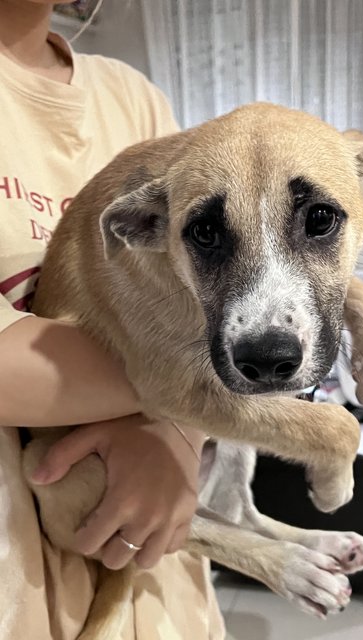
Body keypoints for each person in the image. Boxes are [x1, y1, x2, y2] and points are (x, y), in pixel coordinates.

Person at [0, 1, 225, 638]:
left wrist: (178, 437)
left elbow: (205, 293)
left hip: (159, 593)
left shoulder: (132, 99)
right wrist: (211, 383)